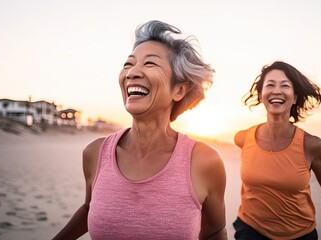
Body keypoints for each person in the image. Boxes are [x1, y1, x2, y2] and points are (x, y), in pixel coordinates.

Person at [53, 20, 227, 240]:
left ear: (179, 90)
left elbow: (215, 231)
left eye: (150, 64)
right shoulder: (94, 153)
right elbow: (90, 208)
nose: (132, 73)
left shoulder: (204, 161)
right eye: (128, 64)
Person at [233, 61, 321, 239]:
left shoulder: (311, 145)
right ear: (261, 94)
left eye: (284, 85)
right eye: (270, 85)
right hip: (250, 228)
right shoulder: (243, 138)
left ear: (294, 98)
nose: (276, 90)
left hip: (299, 233)